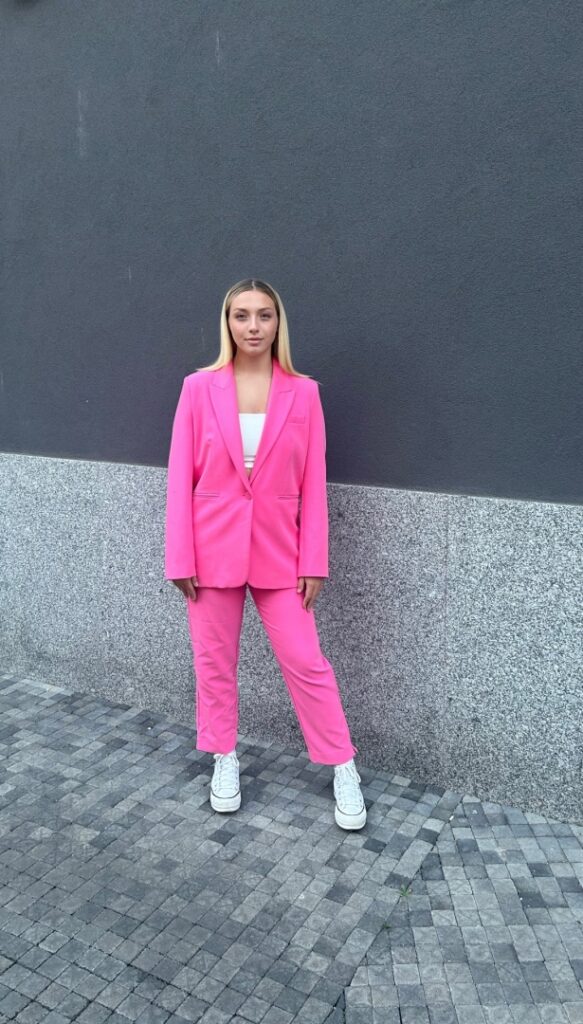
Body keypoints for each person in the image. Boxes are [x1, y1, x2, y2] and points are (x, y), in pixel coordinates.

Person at [165, 278, 366, 831]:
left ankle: (342, 763)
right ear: (227, 322)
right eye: (241, 315)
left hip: (281, 552)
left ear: (279, 323)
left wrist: (313, 560)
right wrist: (180, 557)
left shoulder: (304, 393)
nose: (253, 326)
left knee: (306, 661)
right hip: (210, 552)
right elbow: (180, 475)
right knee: (214, 662)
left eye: (264, 315)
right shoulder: (197, 388)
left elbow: (314, 482)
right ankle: (223, 757)